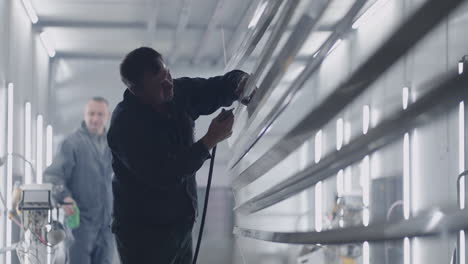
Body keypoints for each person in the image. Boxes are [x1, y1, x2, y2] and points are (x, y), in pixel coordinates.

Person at [107, 47, 249, 264]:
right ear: (136, 91)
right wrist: (209, 140)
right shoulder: (125, 126)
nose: (169, 84)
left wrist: (238, 83)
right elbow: (163, 173)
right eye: (159, 84)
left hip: (180, 225)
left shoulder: (177, 94)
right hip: (144, 237)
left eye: (168, 75)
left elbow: (215, 88)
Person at [44, 97, 115, 264]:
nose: (95, 119)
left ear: (108, 116)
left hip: (107, 226)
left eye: (100, 114)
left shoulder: (112, 145)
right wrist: (65, 198)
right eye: (91, 114)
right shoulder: (71, 144)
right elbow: (53, 177)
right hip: (80, 225)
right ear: (84, 114)